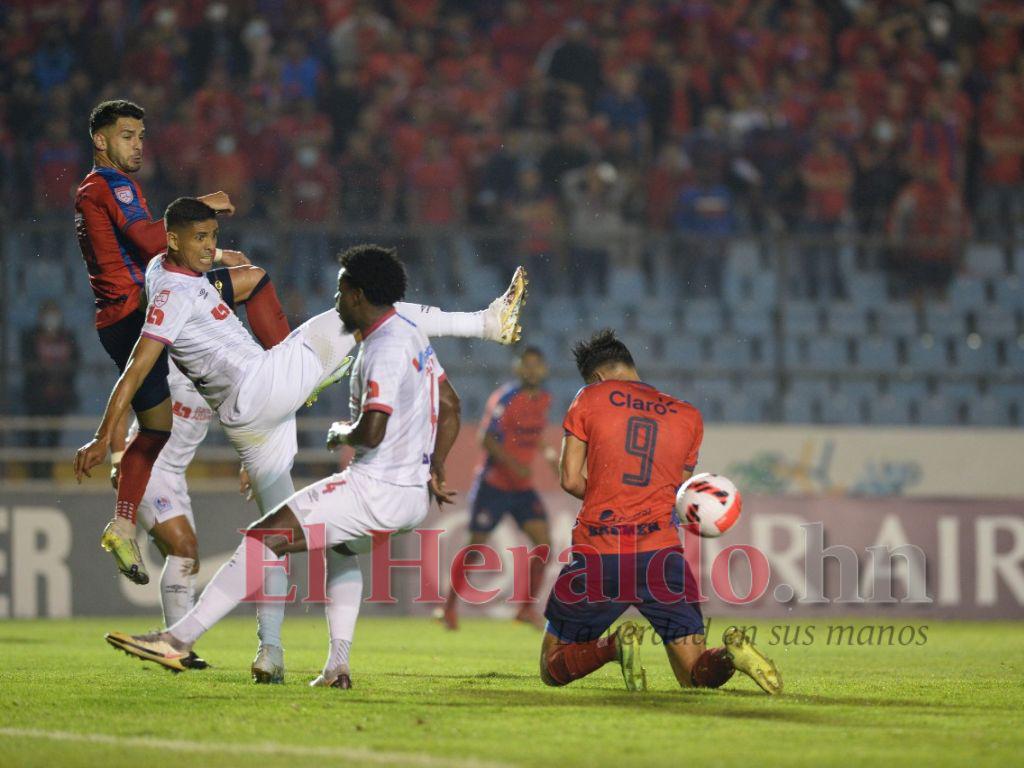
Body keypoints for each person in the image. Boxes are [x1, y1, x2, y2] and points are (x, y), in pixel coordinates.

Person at [77, 202, 526, 682]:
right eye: (201, 239)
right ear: (173, 240)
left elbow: (211, 265)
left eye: (213, 238)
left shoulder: (165, 270)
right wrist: (104, 435)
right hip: (262, 385)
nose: (210, 248)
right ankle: (486, 323)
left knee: (274, 534)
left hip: (248, 421)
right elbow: (138, 366)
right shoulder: (173, 297)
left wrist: (217, 252)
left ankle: (271, 651)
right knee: (367, 317)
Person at [74, 99, 291, 585]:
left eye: (140, 136)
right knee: (253, 280)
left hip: (119, 316)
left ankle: (122, 524)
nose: (137, 145)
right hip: (143, 305)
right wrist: (204, 204)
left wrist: (215, 250)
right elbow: (154, 242)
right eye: (126, 136)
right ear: (100, 141)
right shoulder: (111, 184)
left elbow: (160, 248)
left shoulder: (96, 188)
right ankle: (285, 366)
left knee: (156, 429)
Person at [538, 330, 781, 695]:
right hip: (663, 556)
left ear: (598, 377)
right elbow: (678, 496)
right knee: (694, 674)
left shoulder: (590, 397)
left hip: (602, 552)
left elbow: (571, 479)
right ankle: (730, 656)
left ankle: (613, 646)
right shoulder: (687, 415)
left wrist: (611, 496)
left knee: (552, 664)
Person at [442, 346, 556, 630]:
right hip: (493, 484)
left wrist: (549, 455)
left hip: (521, 488)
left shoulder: (544, 399)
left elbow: (534, 434)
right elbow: (486, 438)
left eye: (536, 364)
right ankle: (449, 607)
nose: (531, 370)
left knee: (544, 545)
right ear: (518, 368)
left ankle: (525, 609)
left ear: (544, 369)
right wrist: (514, 464)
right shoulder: (505, 398)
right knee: (475, 548)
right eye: (526, 364)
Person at [20, 301, 79, 479]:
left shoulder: (67, 336)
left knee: (54, 435)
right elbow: (28, 364)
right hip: (37, 396)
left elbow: (76, 362)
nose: (51, 318)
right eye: (48, 313)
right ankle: (33, 473)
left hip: (59, 396)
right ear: (41, 317)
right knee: (34, 434)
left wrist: (61, 383)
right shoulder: (30, 337)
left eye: (54, 313)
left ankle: (47, 471)